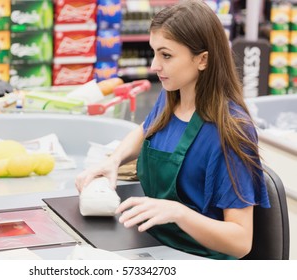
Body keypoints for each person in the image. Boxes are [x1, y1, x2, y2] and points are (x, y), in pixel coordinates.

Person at [75, 0, 270, 260]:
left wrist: (179, 213)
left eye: (166, 55)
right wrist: (114, 160)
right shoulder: (172, 97)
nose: (155, 65)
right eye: (154, 52)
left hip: (199, 259)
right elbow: (146, 129)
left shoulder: (231, 132)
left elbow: (240, 241)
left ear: (202, 60)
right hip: (154, 244)